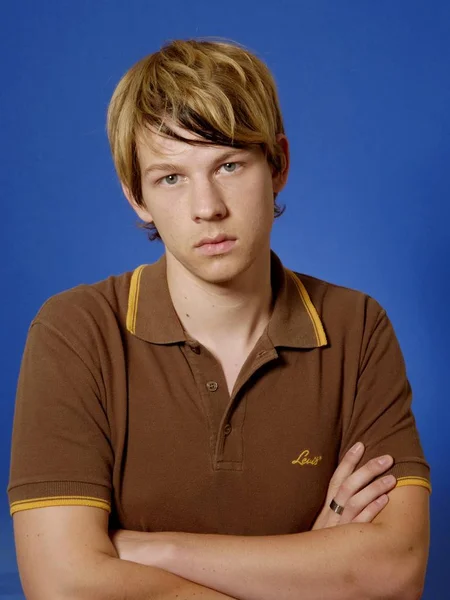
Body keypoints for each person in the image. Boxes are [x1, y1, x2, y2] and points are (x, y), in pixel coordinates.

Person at [8, 39, 430, 600]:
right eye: (171, 178)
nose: (206, 206)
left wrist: (155, 548)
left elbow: (395, 573)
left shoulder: (358, 327)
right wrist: (312, 567)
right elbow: (63, 585)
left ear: (277, 164)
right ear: (137, 196)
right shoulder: (76, 331)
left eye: (228, 164)